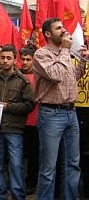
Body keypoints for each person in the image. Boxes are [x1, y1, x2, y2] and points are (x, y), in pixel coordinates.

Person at [33, 18, 88, 200]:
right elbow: (55, 75)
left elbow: (72, 77)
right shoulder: (41, 55)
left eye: (63, 27)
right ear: (48, 34)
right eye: (59, 28)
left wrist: (83, 62)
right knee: (49, 168)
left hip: (71, 113)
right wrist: (65, 50)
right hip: (51, 115)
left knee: (73, 164)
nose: (64, 31)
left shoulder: (66, 55)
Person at [0, 44, 35, 200]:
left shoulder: (23, 81)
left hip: (14, 129)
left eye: (9, 58)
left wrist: (8, 106)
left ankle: (17, 196)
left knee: (15, 165)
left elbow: (29, 105)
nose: (5, 61)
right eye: (2, 58)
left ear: (15, 60)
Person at [19, 47, 39, 195]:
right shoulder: (16, 76)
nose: (25, 62)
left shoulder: (40, 76)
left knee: (33, 155)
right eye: (23, 59)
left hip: (35, 121)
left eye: (28, 60)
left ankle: (31, 183)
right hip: (18, 122)